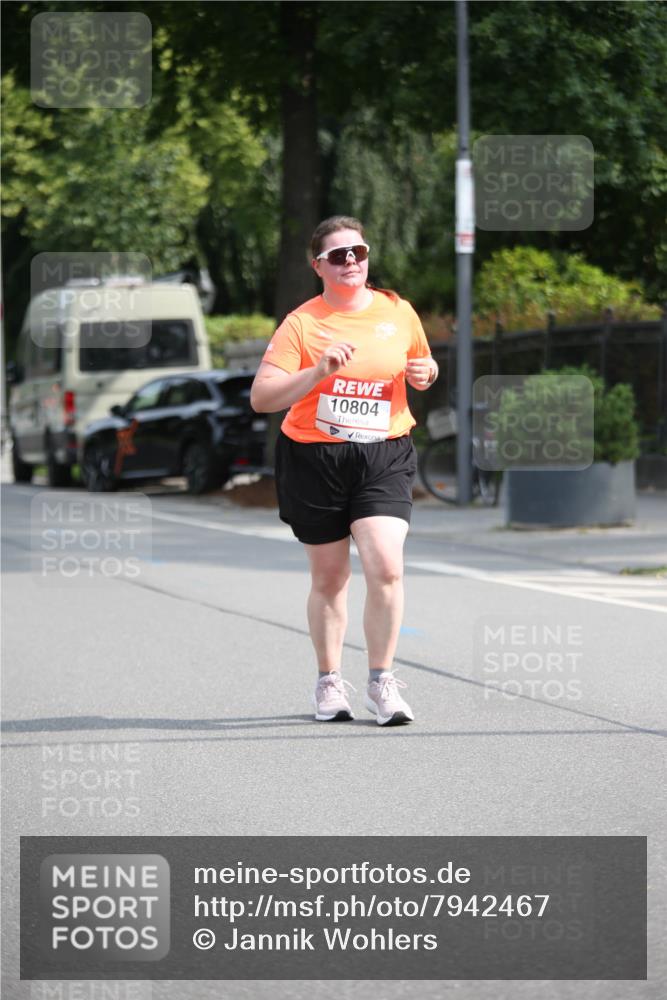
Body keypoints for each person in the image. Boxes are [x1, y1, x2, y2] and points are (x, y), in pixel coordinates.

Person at [250, 216, 438, 726]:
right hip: (314, 456)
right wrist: (317, 372)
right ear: (318, 266)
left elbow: (421, 363)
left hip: (384, 452)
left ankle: (382, 683)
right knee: (331, 577)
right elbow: (262, 397)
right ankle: (329, 682)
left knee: (386, 565)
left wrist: (427, 371)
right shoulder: (302, 324)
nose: (351, 261)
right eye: (338, 255)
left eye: (358, 251)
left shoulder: (398, 312)